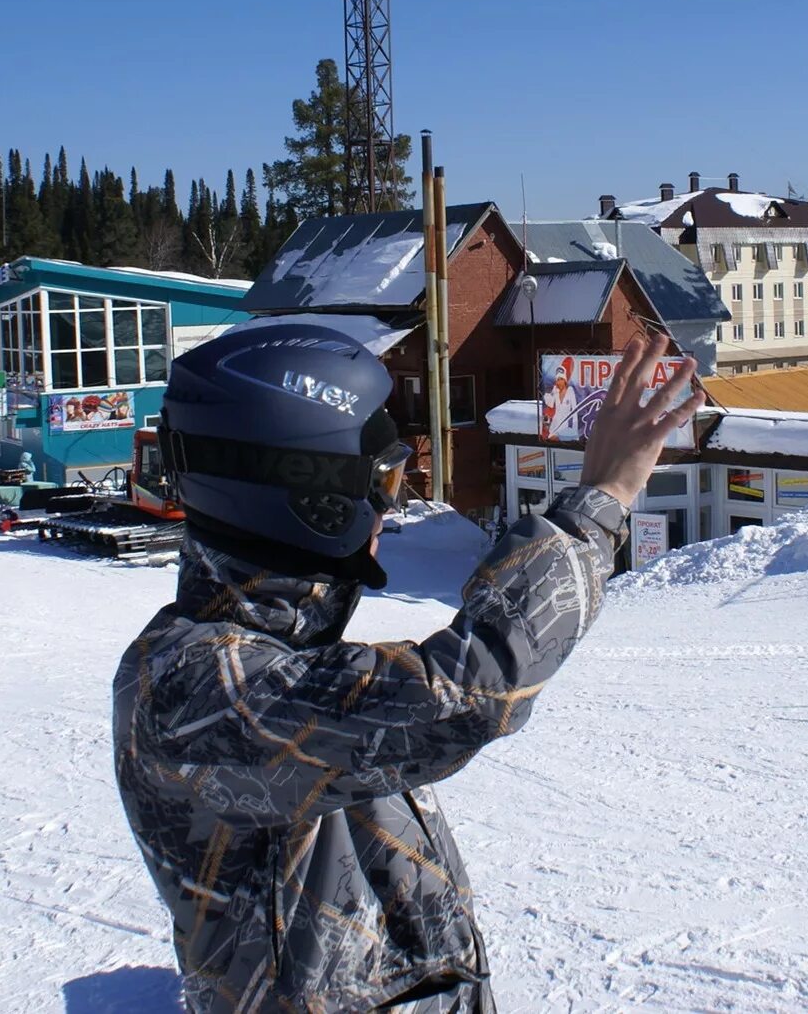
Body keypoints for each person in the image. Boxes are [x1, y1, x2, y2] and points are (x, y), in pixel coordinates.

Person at [113, 323, 702, 1014]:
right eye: (382, 478)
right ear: (306, 490)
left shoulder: (284, 656)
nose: (391, 505)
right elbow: (470, 691)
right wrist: (599, 502)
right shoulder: (190, 687)